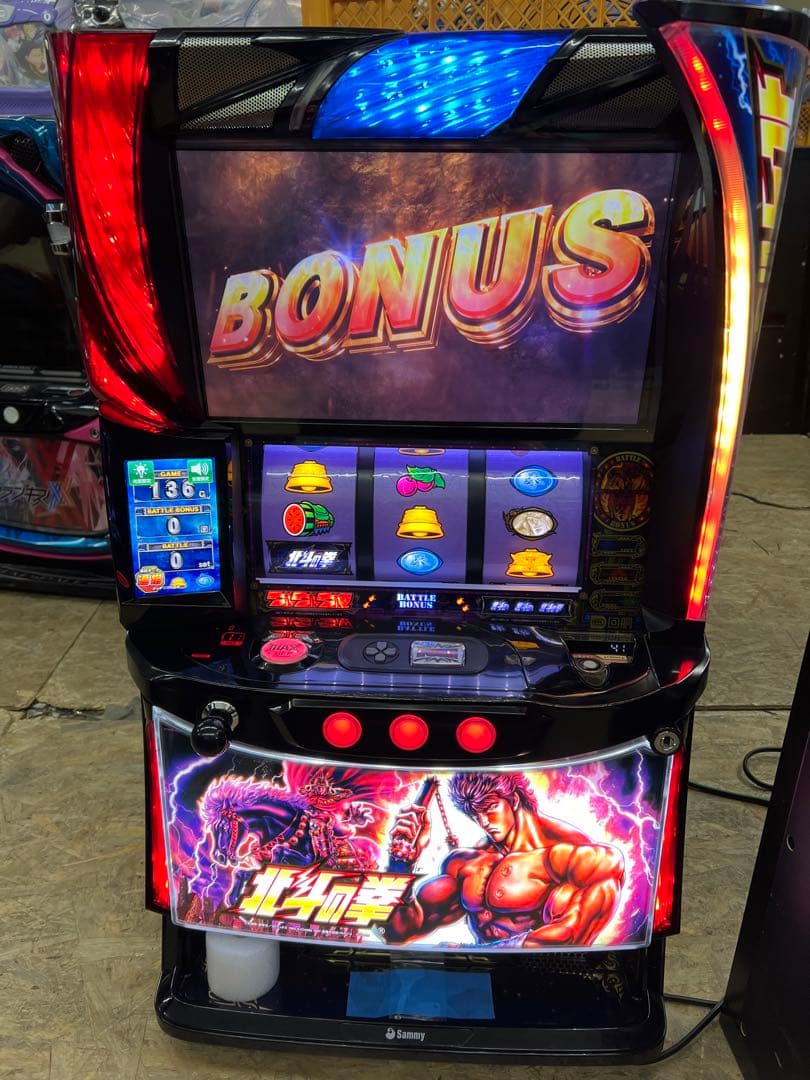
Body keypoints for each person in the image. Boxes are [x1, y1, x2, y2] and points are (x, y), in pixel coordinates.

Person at [383, 771, 624, 948]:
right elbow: (396, 932)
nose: (483, 822)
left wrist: (470, 954)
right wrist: (400, 862)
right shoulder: (467, 863)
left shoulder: (578, 859)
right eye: (475, 814)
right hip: (472, 981)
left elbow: (569, 938)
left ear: (514, 800)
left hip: (541, 980)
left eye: (489, 808)